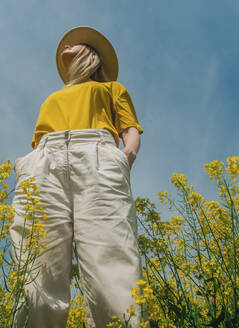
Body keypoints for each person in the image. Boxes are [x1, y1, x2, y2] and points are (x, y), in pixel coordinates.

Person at [10, 26, 145, 328]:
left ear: (91, 56)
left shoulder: (112, 89)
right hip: (44, 160)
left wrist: (127, 155)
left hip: (96, 153)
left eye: (77, 43)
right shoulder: (54, 97)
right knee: (37, 268)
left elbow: (130, 128)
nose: (67, 43)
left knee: (111, 262)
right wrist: (26, 162)